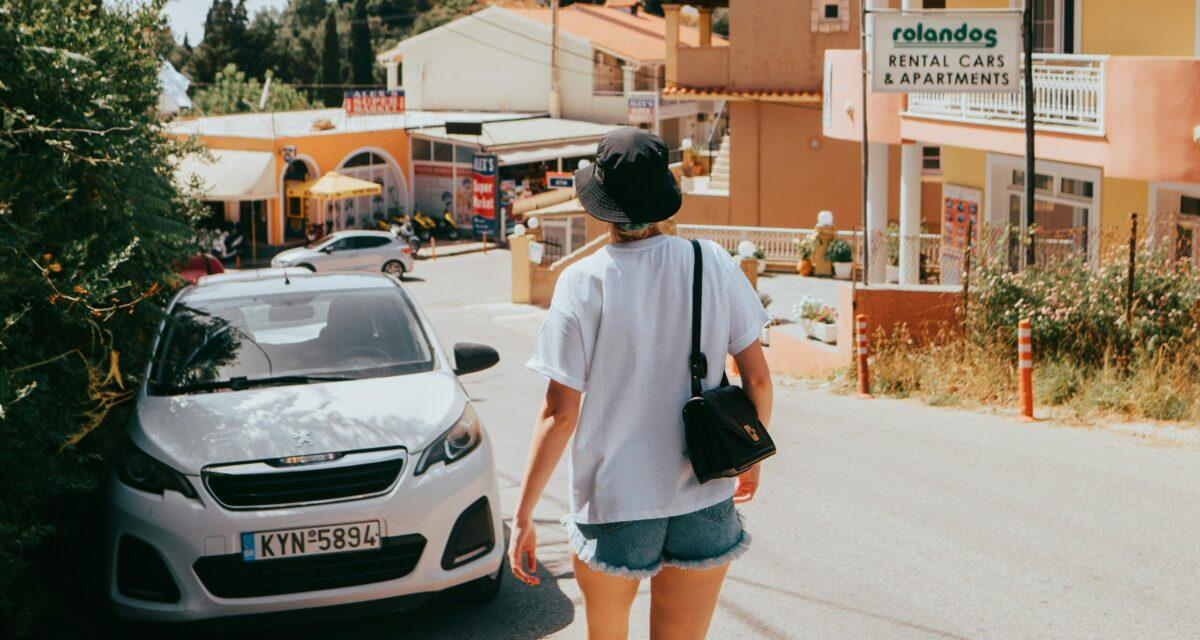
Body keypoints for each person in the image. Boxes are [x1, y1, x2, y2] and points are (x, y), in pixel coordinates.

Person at [509, 127, 774, 640]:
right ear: (663, 202)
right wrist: (750, 459)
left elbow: (560, 414)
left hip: (614, 502)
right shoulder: (711, 262)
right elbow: (757, 379)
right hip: (704, 490)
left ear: (600, 207)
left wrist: (523, 516)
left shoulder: (583, 282)